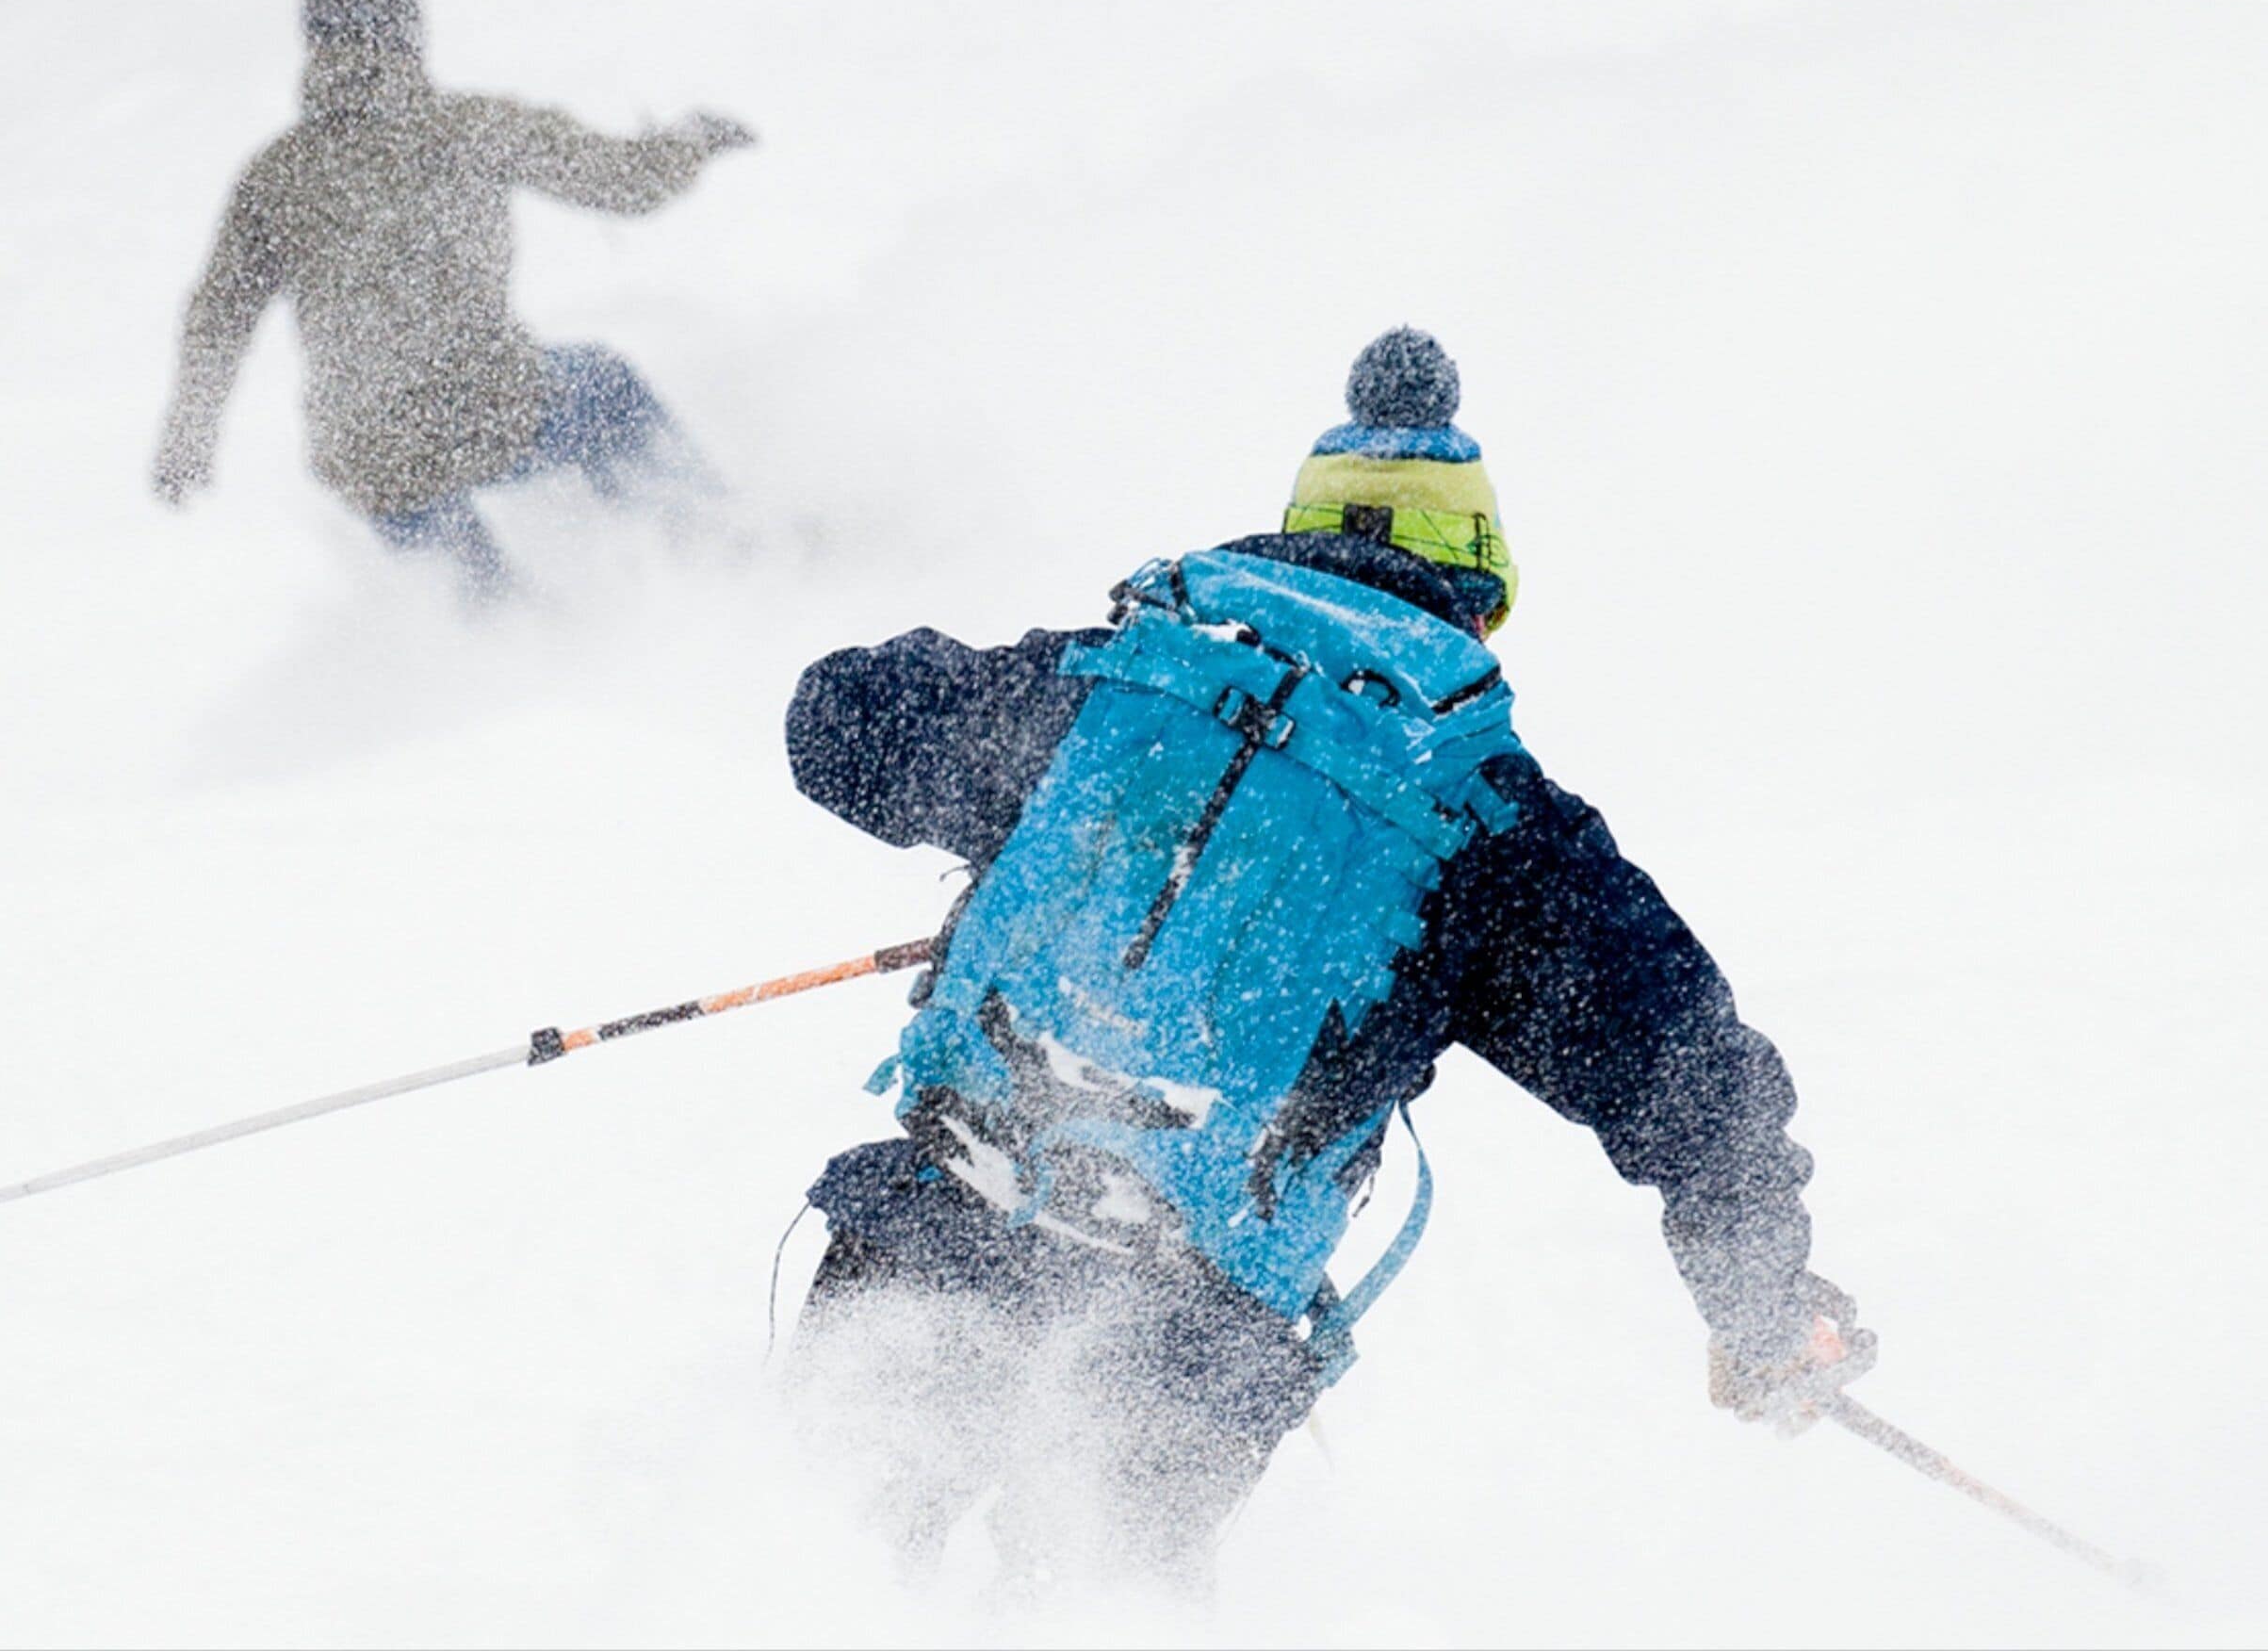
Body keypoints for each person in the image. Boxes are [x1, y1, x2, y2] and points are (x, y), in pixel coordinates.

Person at [777, 329, 1872, 1587]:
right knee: (1072, 1610)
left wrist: (1034, 826)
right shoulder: (1487, 817)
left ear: (1293, 538)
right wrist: (1766, 1312)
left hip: (938, 1220)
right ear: (1478, 590)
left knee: (796, 1581)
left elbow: (839, 721)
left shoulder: (1115, 683)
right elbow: (1690, 1076)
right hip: (1192, 1334)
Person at [148, 0, 750, 598]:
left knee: (483, 618)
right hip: (483, 406)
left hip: (364, 448)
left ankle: (496, 645)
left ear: (316, 44)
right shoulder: (470, 128)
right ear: (409, 31)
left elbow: (218, 315)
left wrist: (188, 436)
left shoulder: (276, 175)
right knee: (605, 388)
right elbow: (625, 183)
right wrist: (691, 138)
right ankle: (722, 547)